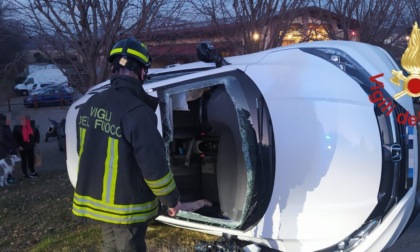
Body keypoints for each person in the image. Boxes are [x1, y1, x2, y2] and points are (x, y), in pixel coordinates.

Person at [72, 37, 182, 252]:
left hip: (99, 203)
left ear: (113, 69)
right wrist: (172, 200)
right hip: (127, 206)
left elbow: (84, 150)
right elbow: (154, 167)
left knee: (110, 245)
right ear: (142, 72)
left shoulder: (90, 104)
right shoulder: (138, 112)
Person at [0, 113, 19, 183]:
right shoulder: (1, 128)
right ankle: (7, 178)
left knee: (9, 164)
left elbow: (11, 137)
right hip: (3, 150)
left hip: (8, 149)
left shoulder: (6, 127)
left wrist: (15, 146)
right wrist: (10, 145)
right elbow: (1, 140)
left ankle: (9, 177)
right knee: (6, 165)